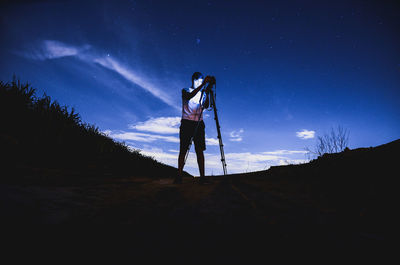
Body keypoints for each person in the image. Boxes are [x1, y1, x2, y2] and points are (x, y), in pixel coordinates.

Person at [175, 72, 212, 184]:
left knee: (200, 150)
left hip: (199, 123)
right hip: (187, 123)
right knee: (183, 150)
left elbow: (206, 106)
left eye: (202, 81)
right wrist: (203, 85)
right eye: (199, 81)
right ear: (193, 80)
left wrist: (208, 91)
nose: (200, 83)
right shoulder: (185, 90)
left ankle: (202, 177)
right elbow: (189, 97)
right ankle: (179, 176)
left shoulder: (202, 92)